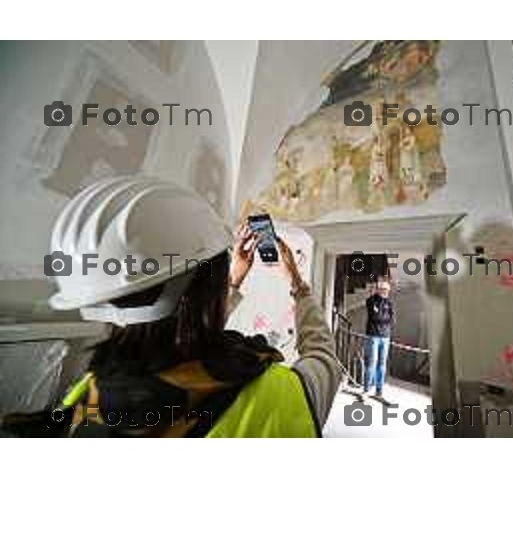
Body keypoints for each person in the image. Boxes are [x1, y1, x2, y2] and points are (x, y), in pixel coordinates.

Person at [1, 176, 341, 437]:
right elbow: (325, 357)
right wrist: (296, 283)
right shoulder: (272, 396)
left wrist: (230, 283)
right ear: (205, 292)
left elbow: (180, 337)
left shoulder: (86, 395)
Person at [363, 277, 394, 398]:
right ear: (378, 289)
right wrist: (382, 317)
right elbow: (375, 318)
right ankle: (366, 389)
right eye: (383, 289)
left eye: (387, 289)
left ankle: (379, 391)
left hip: (385, 337)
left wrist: (382, 317)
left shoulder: (389, 303)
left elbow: (391, 320)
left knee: (382, 364)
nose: (385, 292)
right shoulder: (371, 301)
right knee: (371, 362)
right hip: (373, 336)